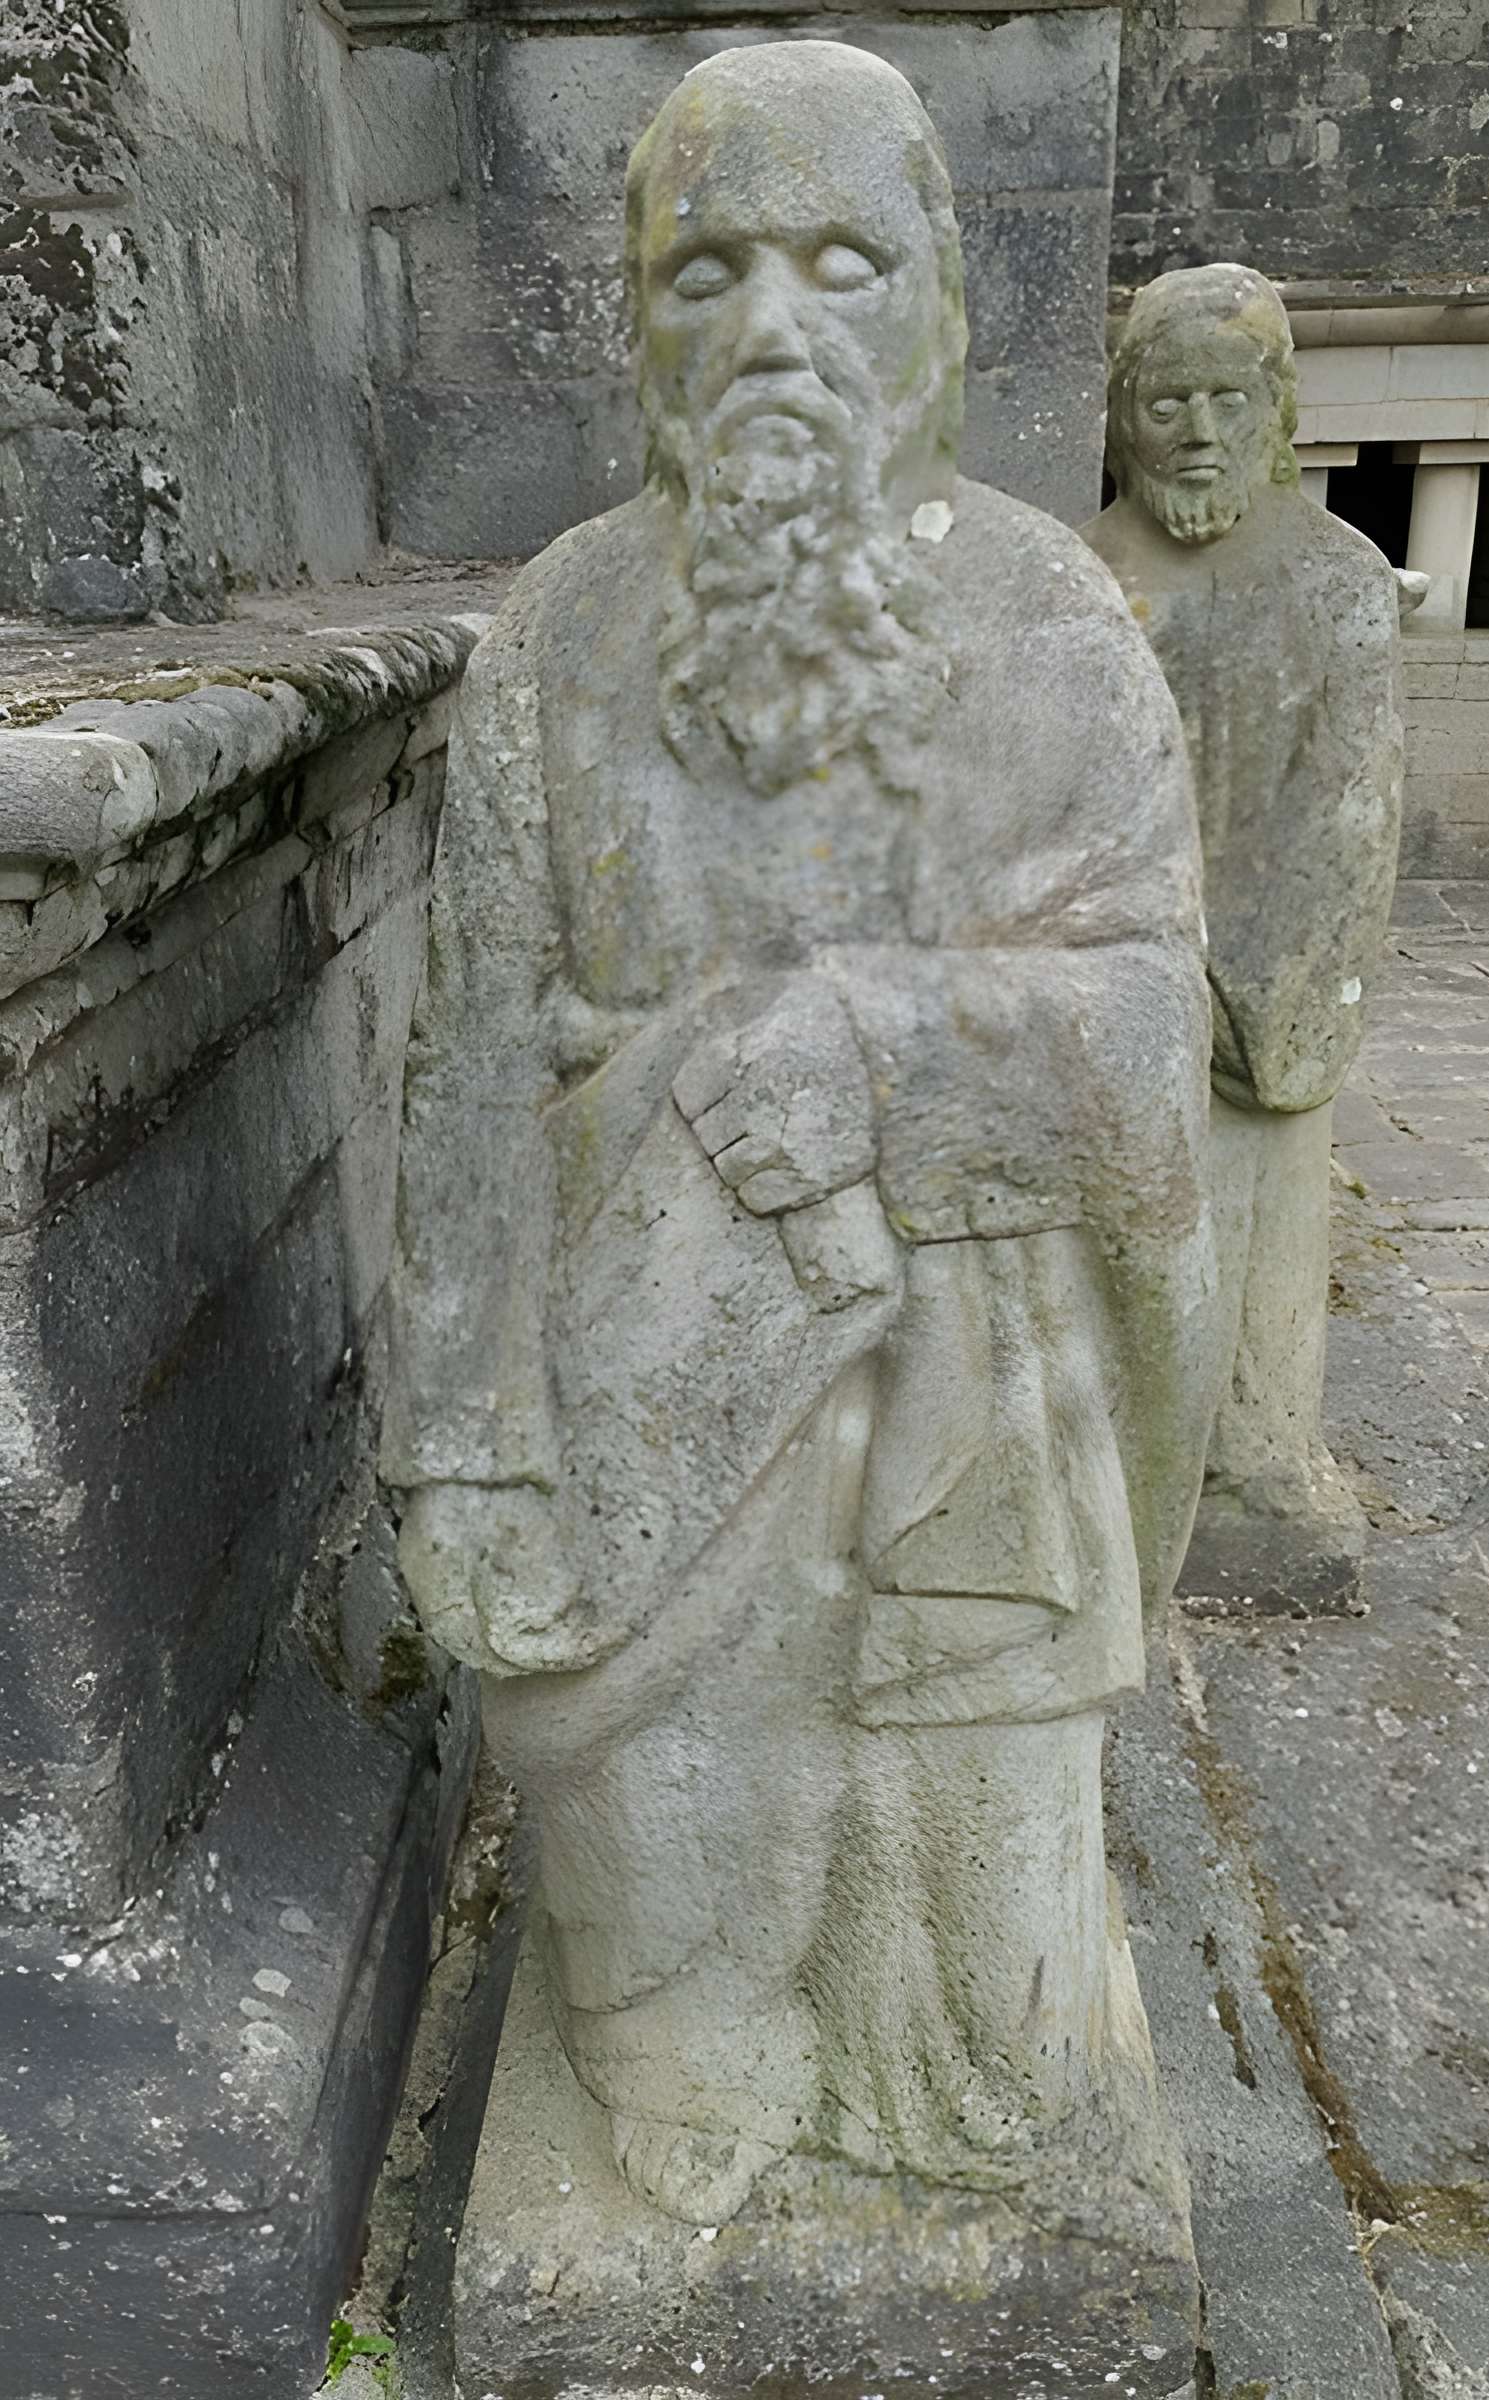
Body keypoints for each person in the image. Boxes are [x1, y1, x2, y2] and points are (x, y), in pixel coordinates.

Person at [382, 40, 1215, 2233]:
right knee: (642, 1911)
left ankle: (948, 2020)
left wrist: (865, 1042)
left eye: (840, 262)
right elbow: (469, 1064)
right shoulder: (558, 635)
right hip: (643, 1371)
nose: (769, 323)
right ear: (637, 313)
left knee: (1000, 2072)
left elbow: (1143, 1047)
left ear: (939, 297)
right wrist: (464, 1432)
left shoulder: (1059, 632)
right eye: (708, 268)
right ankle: (675, 2022)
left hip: (968, 1420)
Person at [1085, 263, 1404, 1609]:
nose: (1198, 429)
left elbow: (1352, 803)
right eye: (1168, 400)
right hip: (1107, 992)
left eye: (1228, 396)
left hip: (1267, 1002)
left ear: (1277, 408)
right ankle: (1097, 1480)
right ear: (1127, 415)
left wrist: (1263, 989)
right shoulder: (1082, 578)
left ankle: (1253, 1474)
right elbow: (1052, 797)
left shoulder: (1339, 579)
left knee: (1258, 1268)